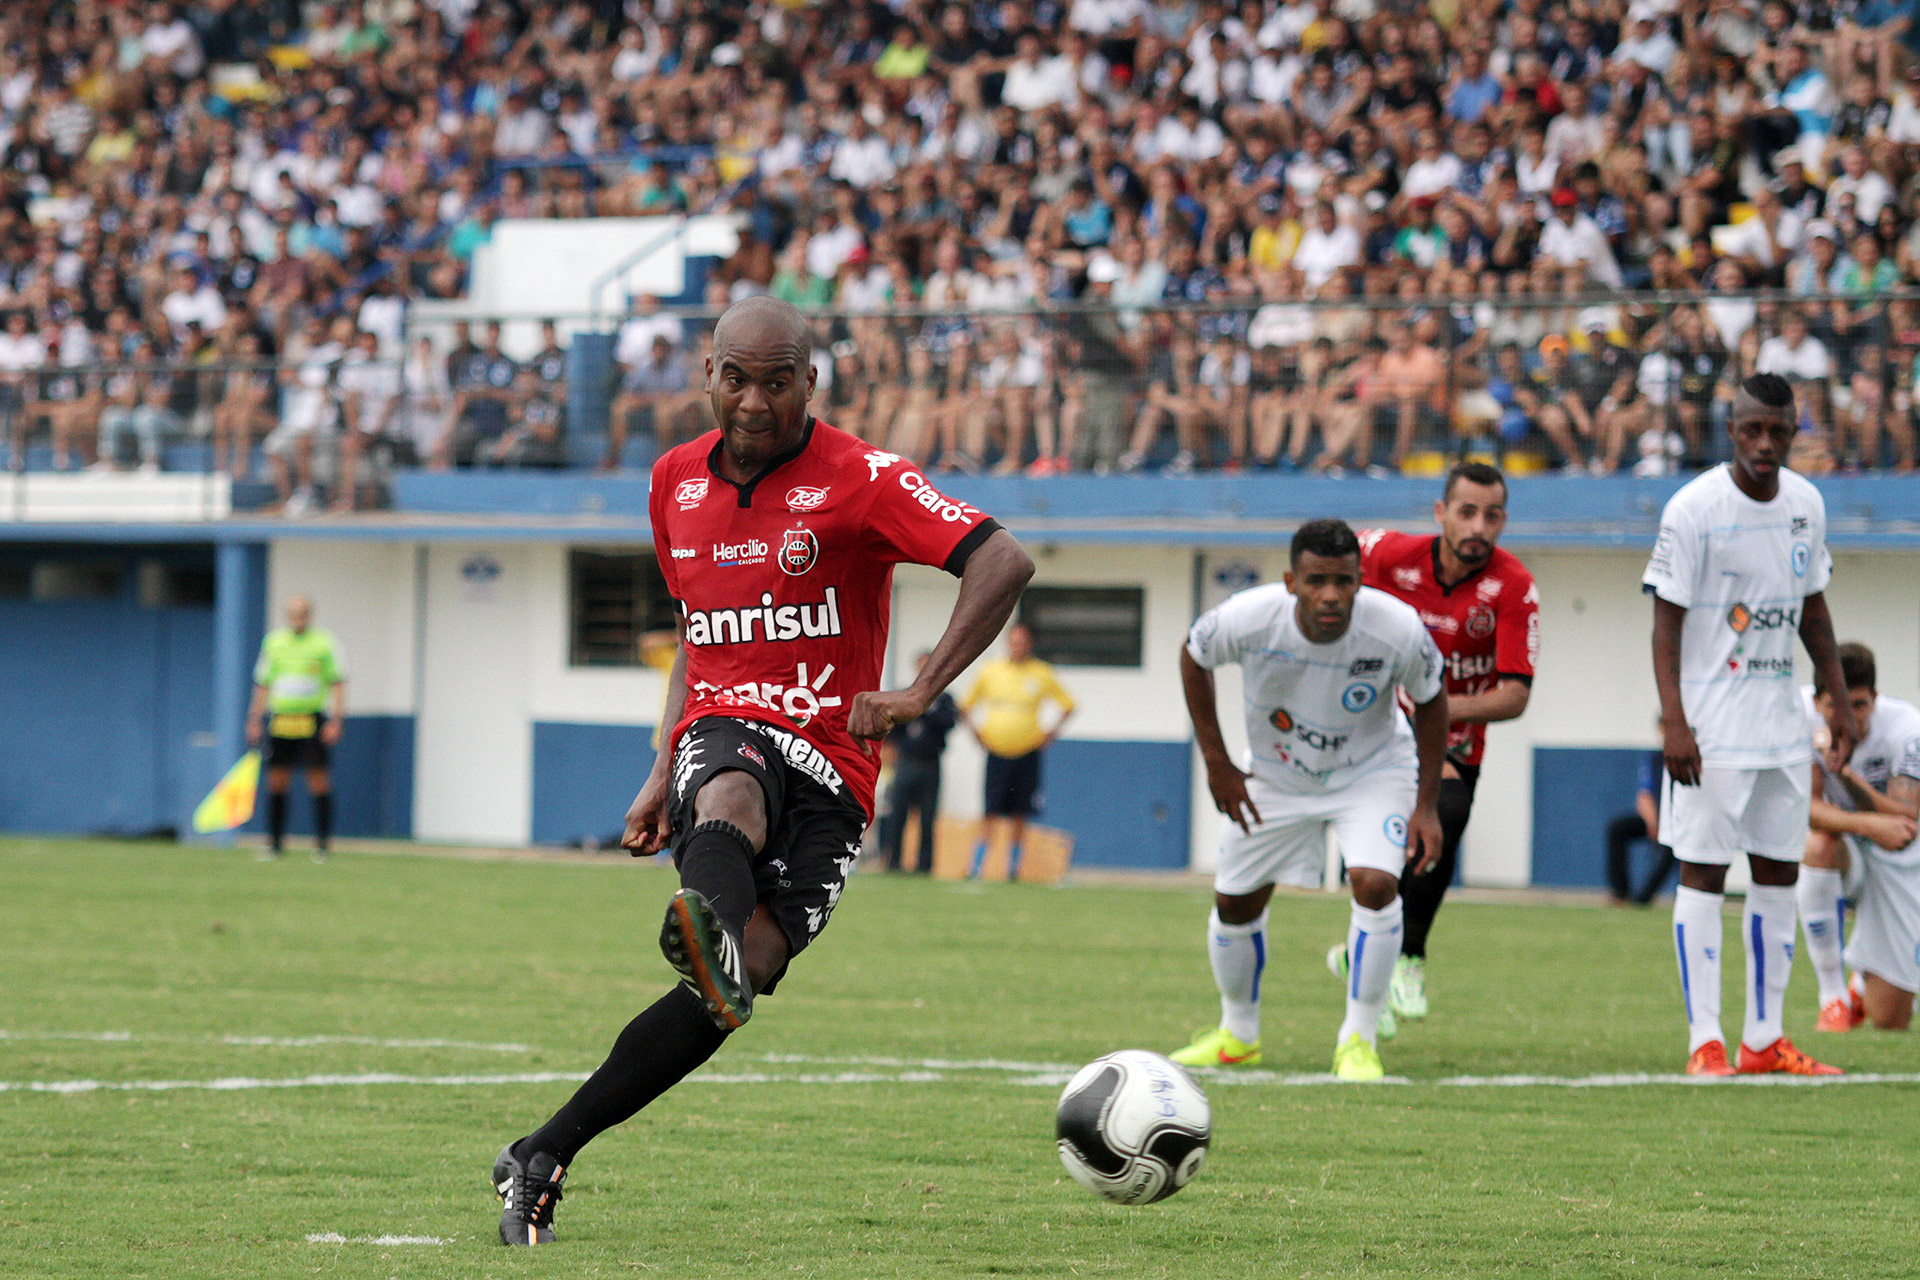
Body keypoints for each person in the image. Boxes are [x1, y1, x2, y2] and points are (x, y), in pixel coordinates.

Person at [490, 296, 1034, 1246]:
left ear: (808, 383)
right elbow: (700, 642)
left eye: (775, 381)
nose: (751, 401)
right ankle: (701, 921)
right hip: (729, 728)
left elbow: (1002, 559)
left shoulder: (864, 478)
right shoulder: (671, 484)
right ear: (707, 375)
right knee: (731, 789)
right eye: (734, 378)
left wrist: (916, 690)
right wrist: (663, 771)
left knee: (738, 985)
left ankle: (544, 1150)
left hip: (838, 765)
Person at [1170, 519, 1448, 1083]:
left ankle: (1359, 1040)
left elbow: (1433, 700)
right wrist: (1220, 764)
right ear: (1290, 580)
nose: (1331, 595)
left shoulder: (1397, 629)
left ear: (1360, 580)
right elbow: (1193, 657)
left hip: (1371, 770)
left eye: (1344, 582)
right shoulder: (1248, 618)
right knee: (1235, 902)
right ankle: (1237, 1036)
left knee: (1375, 883)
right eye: (1317, 581)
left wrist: (1425, 805)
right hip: (1274, 775)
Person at [1643, 372, 1856, 1078]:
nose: (1765, 444)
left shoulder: (1807, 504)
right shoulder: (1694, 508)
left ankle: (1763, 1039)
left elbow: (1813, 609)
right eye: (1752, 430)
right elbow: (1664, 621)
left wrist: (1839, 698)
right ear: (1731, 431)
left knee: (1776, 873)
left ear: (1795, 432)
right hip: (1710, 729)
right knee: (1702, 874)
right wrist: (1674, 721)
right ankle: (1706, 1040)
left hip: (1782, 726)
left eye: (1779, 431)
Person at [1356, 462, 1539, 1020]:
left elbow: (1513, 696)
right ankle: (1387, 958)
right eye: (1466, 512)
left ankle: (1394, 957)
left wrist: (1434, 709)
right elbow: (1324, 556)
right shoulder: (1389, 555)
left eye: (1492, 515)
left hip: (1454, 739)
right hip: (1380, 727)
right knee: (1386, 851)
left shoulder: (1514, 587)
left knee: (1442, 824)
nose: (1478, 527)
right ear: (1440, 514)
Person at [1798, 643, 1920, 1032]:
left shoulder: (1906, 729)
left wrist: (1848, 774)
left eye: (1860, 705)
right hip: (1850, 843)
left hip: (1903, 859)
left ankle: (1860, 985)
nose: (1849, 717)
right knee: (1816, 845)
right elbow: (1803, 808)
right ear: (1817, 702)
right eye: (1836, 705)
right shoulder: (1795, 718)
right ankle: (1832, 997)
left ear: (1876, 700)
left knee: (1890, 1020)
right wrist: (1866, 825)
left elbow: (1905, 821)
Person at [960, 623, 1076, 879]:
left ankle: (1013, 867)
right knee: (990, 811)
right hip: (997, 753)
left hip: (1027, 753)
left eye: (1022, 641)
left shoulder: (1042, 673)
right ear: (1007, 643)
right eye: (1014, 641)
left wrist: (1050, 733)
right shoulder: (990, 671)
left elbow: (1068, 705)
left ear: (1029, 644)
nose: (1018, 646)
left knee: (1021, 812)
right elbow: (965, 706)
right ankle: (977, 866)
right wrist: (976, 734)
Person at [245, 596, 346, 862]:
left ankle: (322, 845)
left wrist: (336, 720)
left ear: (310, 615)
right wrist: (254, 719)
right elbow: (262, 683)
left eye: (303, 614)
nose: (298, 619)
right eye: (293, 614)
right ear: (287, 615)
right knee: (276, 781)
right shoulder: (274, 642)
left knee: (318, 780)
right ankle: (275, 844)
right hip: (281, 720)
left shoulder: (324, 643)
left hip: (311, 719)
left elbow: (337, 682)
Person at [876, 651, 959, 873]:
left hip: (930, 764)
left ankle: (924, 865)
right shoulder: (903, 695)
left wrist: (925, 708)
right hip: (906, 763)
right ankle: (893, 862)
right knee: (897, 815)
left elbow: (948, 723)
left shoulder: (944, 698)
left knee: (927, 818)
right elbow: (893, 726)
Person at [1606, 750, 1676, 905]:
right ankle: (1620, 893)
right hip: (1656, 818)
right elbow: (1645, 794)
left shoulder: (1690, 757)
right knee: (1617, 829)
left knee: (1671, 847)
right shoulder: (1655, 759)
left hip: (1679, 822)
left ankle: (1643, 898)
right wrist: (1653, 823)